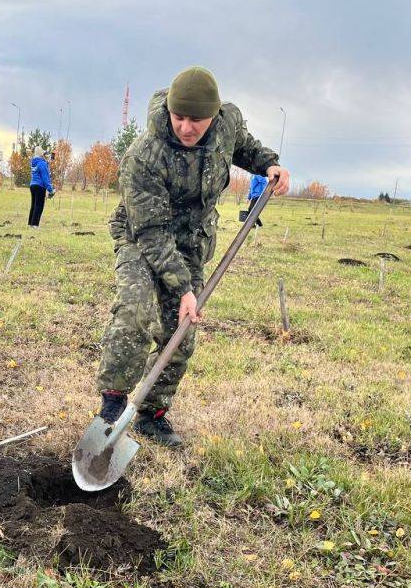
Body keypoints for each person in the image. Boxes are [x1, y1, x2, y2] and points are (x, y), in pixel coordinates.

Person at [95, 66, 290, 446]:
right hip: (141, 234)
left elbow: (244, 146)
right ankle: (112, 408)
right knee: (135, 310)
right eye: (179, 117)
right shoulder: (143, 156)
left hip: (193, 241)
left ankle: (152, 414)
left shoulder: (226, 121)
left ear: (214, 116)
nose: (186, 127)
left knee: (181, 333)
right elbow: (151, 233)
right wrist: (183, 287)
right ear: (168, 110)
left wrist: (269, 164)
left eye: (196, 120)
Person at [28, 146, 55, 227]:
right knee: (39, 206)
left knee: (34, 205)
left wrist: (47, 162)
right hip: (40, 186)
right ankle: (35, 225)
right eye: (43, 153)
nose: (44, 154)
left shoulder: (34, 163)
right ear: (41, 154)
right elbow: (45, 177)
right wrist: (50, 189)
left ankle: (30, 223)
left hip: (32, 185)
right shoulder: (42, 163)